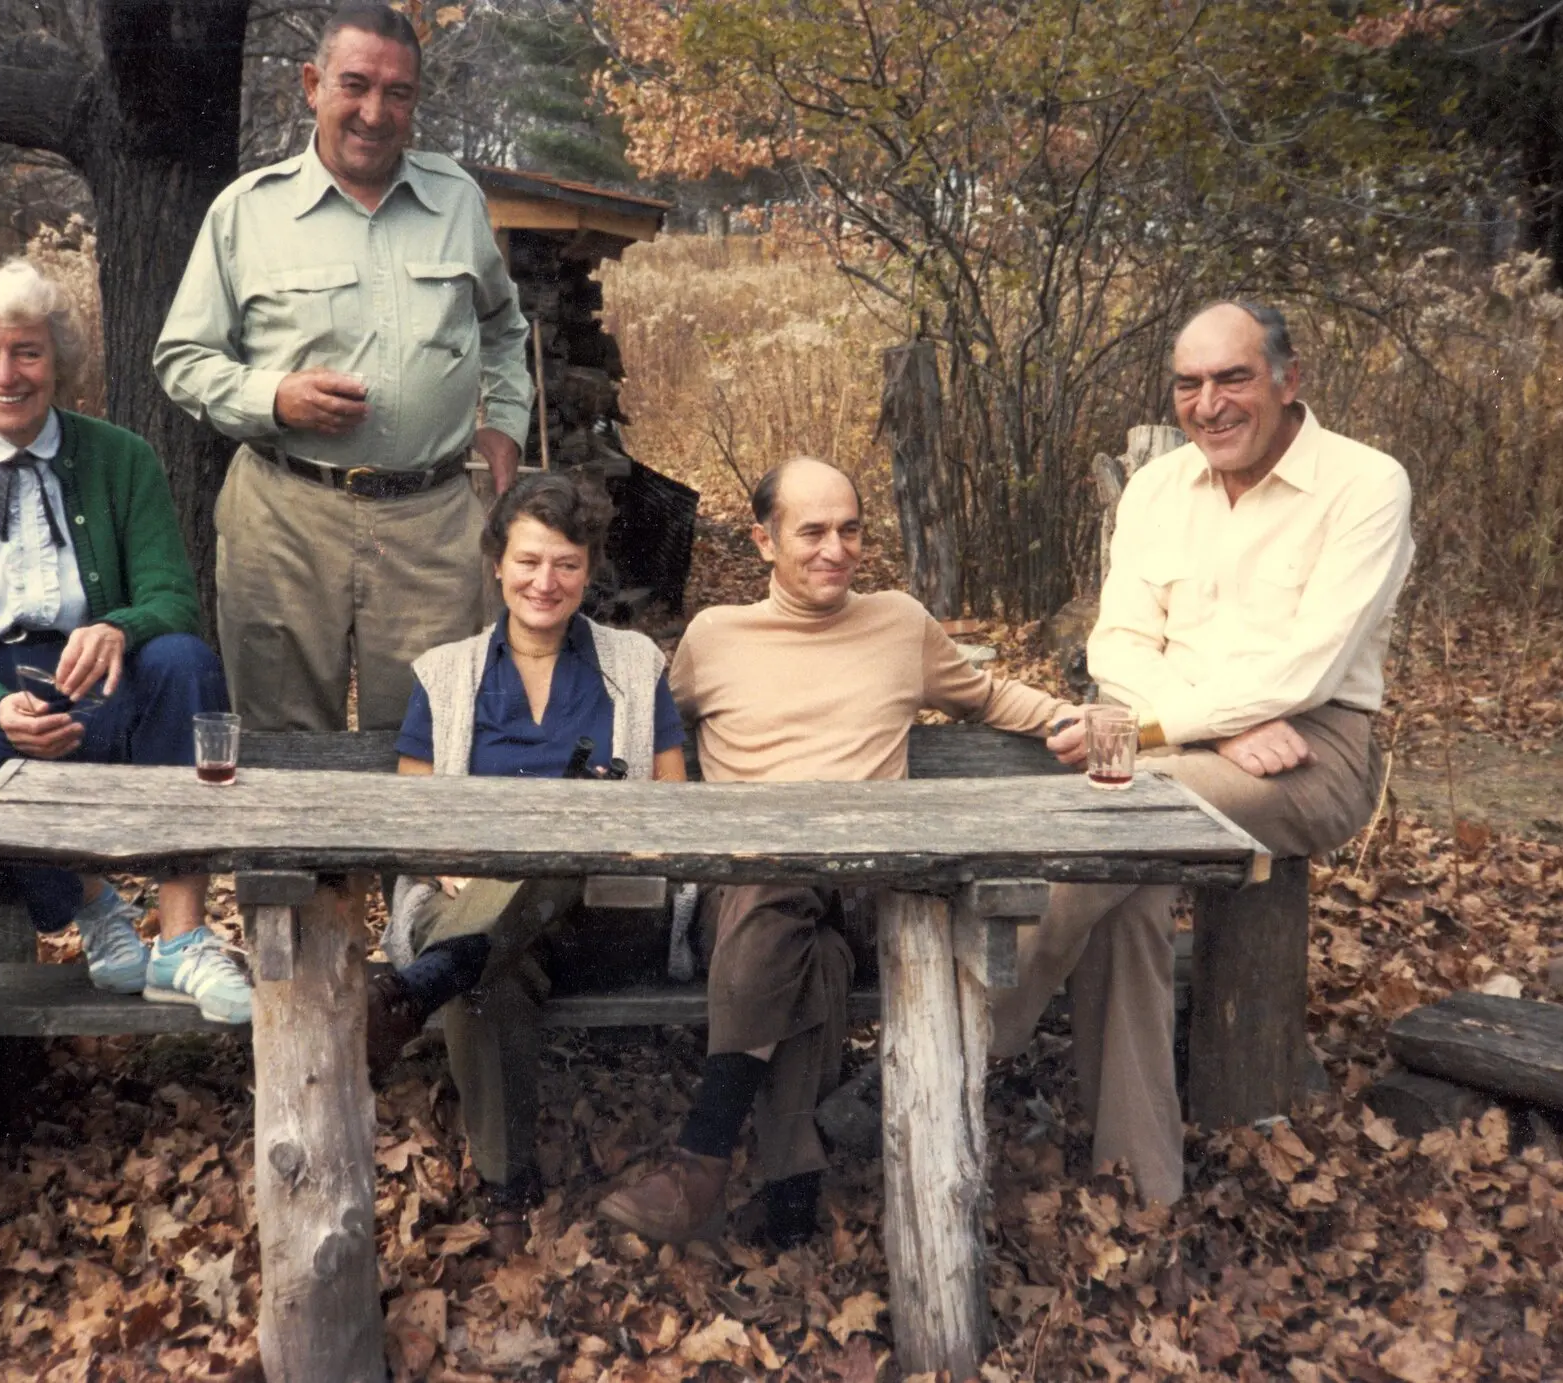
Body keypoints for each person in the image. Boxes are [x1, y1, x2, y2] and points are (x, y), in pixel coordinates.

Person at [595, 457, 1085, 1249]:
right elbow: (639, 729)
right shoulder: (715, 638)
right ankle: (791, 1195)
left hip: (869, 888)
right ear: (764, 540)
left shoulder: (899, 624)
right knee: (805, 945)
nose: (836, 549)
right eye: (813, 531)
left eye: (850, 530)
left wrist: (1069, 717)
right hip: (744, 893)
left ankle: (702, 1156)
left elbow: (989, 697)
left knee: (793, 895)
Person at [990, 300, 1414, 1204]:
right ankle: (1142, 1181)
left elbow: (1305, 668)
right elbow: (1116, 646)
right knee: (1129, 889)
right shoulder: (1157, 489)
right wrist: (1212, 726)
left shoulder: (1366, 484)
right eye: (1189, 383)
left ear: (1289, 380)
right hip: (1185, 739)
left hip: (1310, 751)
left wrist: (1178, 725)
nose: (1209, 404)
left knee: (1114, 817)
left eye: (1233, 378)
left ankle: (976, 1029)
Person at [0, 259, 253, 1026]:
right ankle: (93, 901)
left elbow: (173, 599)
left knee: (185, 663)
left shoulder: (122, 456)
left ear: (58, 360)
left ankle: (180, 939)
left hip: (94, 681)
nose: (6, 374)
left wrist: (120, 626)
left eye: (27, 352)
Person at [153, 2, 533, 735]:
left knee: (430, 738)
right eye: (354, 85)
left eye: (397, 93)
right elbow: (183, 358)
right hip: (286, 520)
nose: (374, 112)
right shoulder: (246, 213)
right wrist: (274, 397)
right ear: (312, 84)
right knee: (282, 744)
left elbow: (504, 328)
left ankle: (406, 820)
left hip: (431, 525)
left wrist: (506, 422)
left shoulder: (456, 201)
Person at [363, 473, 688, 1251]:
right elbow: (417, 822)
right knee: (488, 972)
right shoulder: (447, 675)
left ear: (590, 568)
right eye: (529, 561)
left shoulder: (633, 665)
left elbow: (674, 812)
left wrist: (596, 827)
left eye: (567, 563)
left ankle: (428, 980)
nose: (546, 581)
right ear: (498, 564)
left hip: (608, 916)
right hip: (471, 904)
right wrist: (457, 863)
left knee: (566, 832)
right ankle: (508, 1191)